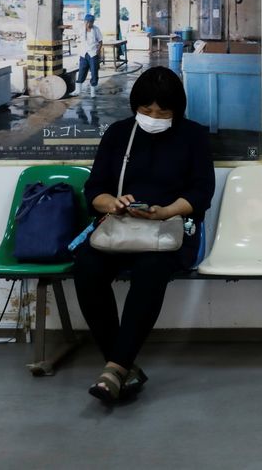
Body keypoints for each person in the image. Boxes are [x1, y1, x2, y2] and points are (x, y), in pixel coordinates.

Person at [72, 67, 215, 404]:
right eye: (146, 111)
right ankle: (122, 367)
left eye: (162, 112)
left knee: (152, 269)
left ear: (176, 111)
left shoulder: (193, 136)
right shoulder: (119, 134)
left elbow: (201, 192)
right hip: (120, 229)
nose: (153, 118)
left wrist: (166, 211)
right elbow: (95, 189)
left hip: (171, 230)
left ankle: (115, 369)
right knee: (87, 268)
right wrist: (114, 203)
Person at [74, 14, 104, 97]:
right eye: (87, 22)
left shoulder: (96, 29)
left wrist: (98, 51)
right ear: (85, 22)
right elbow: (71, 27)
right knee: (81, 71)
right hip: (83, 54)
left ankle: (93, 92)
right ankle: (77, 91)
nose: (89, 24)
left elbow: (100, 41)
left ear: (93, 22)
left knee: (94, 72)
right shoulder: (80, 28)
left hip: (93, 54)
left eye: (91, 22)